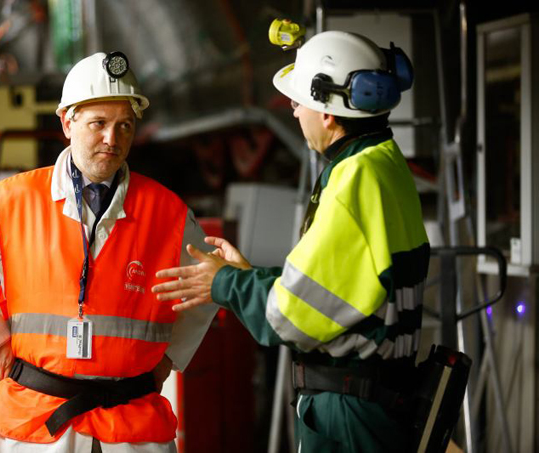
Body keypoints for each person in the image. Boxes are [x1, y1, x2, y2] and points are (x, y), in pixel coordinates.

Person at [0, 51, 217, 453]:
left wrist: (171, 358)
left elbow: (210, 284)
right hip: (35, 421)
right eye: (99, 124)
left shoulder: (168, 212)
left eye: (124, 126)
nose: (113, 139)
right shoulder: (15, 199)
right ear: (67, 122)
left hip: (131, 424)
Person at [152, 30, 430, 453]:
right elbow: (337, 291)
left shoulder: (353, 179)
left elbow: (293, 317)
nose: (295, 111)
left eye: (300, 102)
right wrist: (252, 277)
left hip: (349, 414)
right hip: (374, 402)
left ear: (328, 115)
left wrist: (224, 283)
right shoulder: (384, 163)